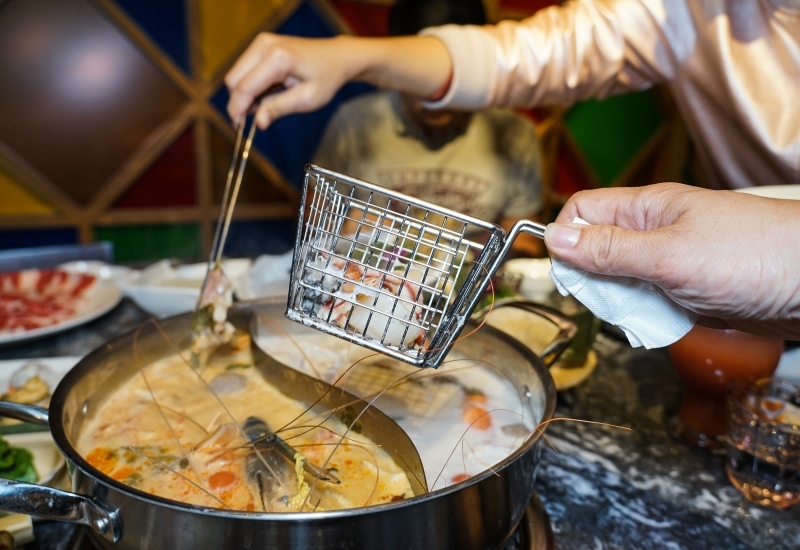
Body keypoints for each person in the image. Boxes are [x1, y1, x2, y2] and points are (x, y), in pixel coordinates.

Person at [225, 0, 800, 337]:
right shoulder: (691, 8)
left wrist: (783, 249)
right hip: (744, 316)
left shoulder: (512, 137)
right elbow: (533, 53)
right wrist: (355, 57)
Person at [312, 0, 545, 257]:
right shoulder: (355, 123)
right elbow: (314, 232)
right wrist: (353, 235)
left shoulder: (512, 133)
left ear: (477, 72)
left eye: (448, 80)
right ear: (395, 68)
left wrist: (462, 256)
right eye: (420, 75)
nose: (434, 96)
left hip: (471, 287)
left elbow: (526, 246)